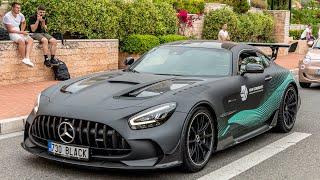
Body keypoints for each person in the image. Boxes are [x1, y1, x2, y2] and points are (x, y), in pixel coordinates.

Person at [2, 2, 34, 67]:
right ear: (12, 8)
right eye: (17, 8)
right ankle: (23, 58)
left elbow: (24, 22)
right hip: (11, 33)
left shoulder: (20, 15)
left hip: (19, 31)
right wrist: (22, 32)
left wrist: (22, 30)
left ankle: (27, 58)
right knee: (21, 41)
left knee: (30, 40)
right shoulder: (7, 16)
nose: (19, 9)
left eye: (19, 8)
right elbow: (10, 30)